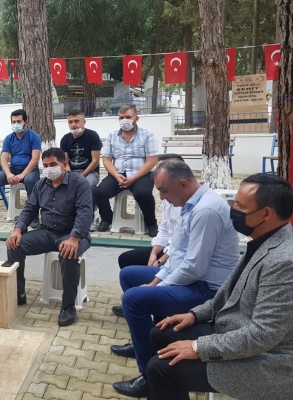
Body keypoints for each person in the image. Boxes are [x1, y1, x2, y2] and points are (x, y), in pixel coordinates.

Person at [146, 174, 293, 400]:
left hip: (268, 360)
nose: (233, 210)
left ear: (266, 213)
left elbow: (264, 335)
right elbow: (228, 295)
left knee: (160, 368)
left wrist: (198, 347)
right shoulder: (264, 239)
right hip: (235, 330)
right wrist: (195, 315)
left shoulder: (284, 260)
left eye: (240, 206)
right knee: (161, 332)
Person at [111, 160, 239, 398]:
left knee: (133, 299)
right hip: (193, 278)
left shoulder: (206, 210)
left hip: (208, 290)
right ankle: (146, 343)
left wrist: (159, 285)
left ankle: (148, 374)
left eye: (163, 190)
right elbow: (178, 254)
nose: (161, 198)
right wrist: (156, 281)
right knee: (129, 275)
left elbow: (193, 268)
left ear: (182, 183)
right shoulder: (191, 204)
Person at [5, 148, 93, 326]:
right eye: (45, 166)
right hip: (47, 232)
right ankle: (18, 293)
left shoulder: (79, 183)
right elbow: (29, 209)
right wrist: (17, 230)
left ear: (64, 164)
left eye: (53, 164)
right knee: (14, 245)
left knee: (68, 254)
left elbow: (85, 213)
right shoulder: (40, 184)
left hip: (73, 234)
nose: (48, 168)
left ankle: (68, 306)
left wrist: (74, 238)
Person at [113, 154, 185, 317]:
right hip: (167, 249)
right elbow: (164, 230)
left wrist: (160, 261)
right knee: (126, 259)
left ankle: (144, 303)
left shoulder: (186, 202)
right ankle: (135, 302)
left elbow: (181, 244)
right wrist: (153, 254)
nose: (156, 174)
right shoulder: (167, 197)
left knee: (148, 269)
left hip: (176, 256)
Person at [94, 105, 159, 237]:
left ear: (136, 118)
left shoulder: (147, 135)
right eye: (121, 117)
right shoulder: (112, 136)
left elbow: (151, 161)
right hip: (118, 174)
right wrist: (116, 175)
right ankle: (107, 218)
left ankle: (151, 223)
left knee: (143, 193)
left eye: (128, 117)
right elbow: (107, 160)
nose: (125, 120)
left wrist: (133, 178)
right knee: (99, 192)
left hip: (142, 174)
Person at [0, 109, 41, 227]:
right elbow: (3, 159)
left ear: (26, 122)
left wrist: (22, 175)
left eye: (19, 121)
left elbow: (35, 159)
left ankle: (34, 217)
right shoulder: (9, 138)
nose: (16, 124)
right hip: (13, 169)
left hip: (30, 170)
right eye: (13, 122)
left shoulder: (34, 137)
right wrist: (8, 174)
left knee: (30, 181)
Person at [59, 110, 102, 194]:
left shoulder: (93, 136)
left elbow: (95, 161)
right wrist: (69, 176)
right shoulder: (65, 139)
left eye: (76, 121)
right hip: (71, 172)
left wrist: (81, 176)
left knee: (88, 186)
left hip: (90, 172)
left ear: (84, 122)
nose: (73, 125)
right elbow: (65, 162)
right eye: (70, 122)